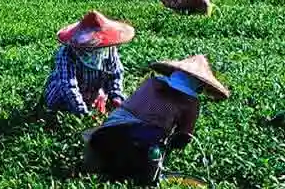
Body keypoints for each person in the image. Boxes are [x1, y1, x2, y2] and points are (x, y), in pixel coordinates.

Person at [84, 54, 230, 186]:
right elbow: (184, 137)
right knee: (152, 151)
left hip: (103, 134)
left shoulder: (153, 82)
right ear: (199, 85)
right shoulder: (190, 102)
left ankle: (109, 172)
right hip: (133, 142)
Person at [45, 10, 133, 117]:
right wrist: (83, 112)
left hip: (92, 91)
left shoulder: (108, 50)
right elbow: (68, 85)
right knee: (59, 107)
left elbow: (115, 73)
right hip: (64, 97)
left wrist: (116, 96)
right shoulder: (68, 53)